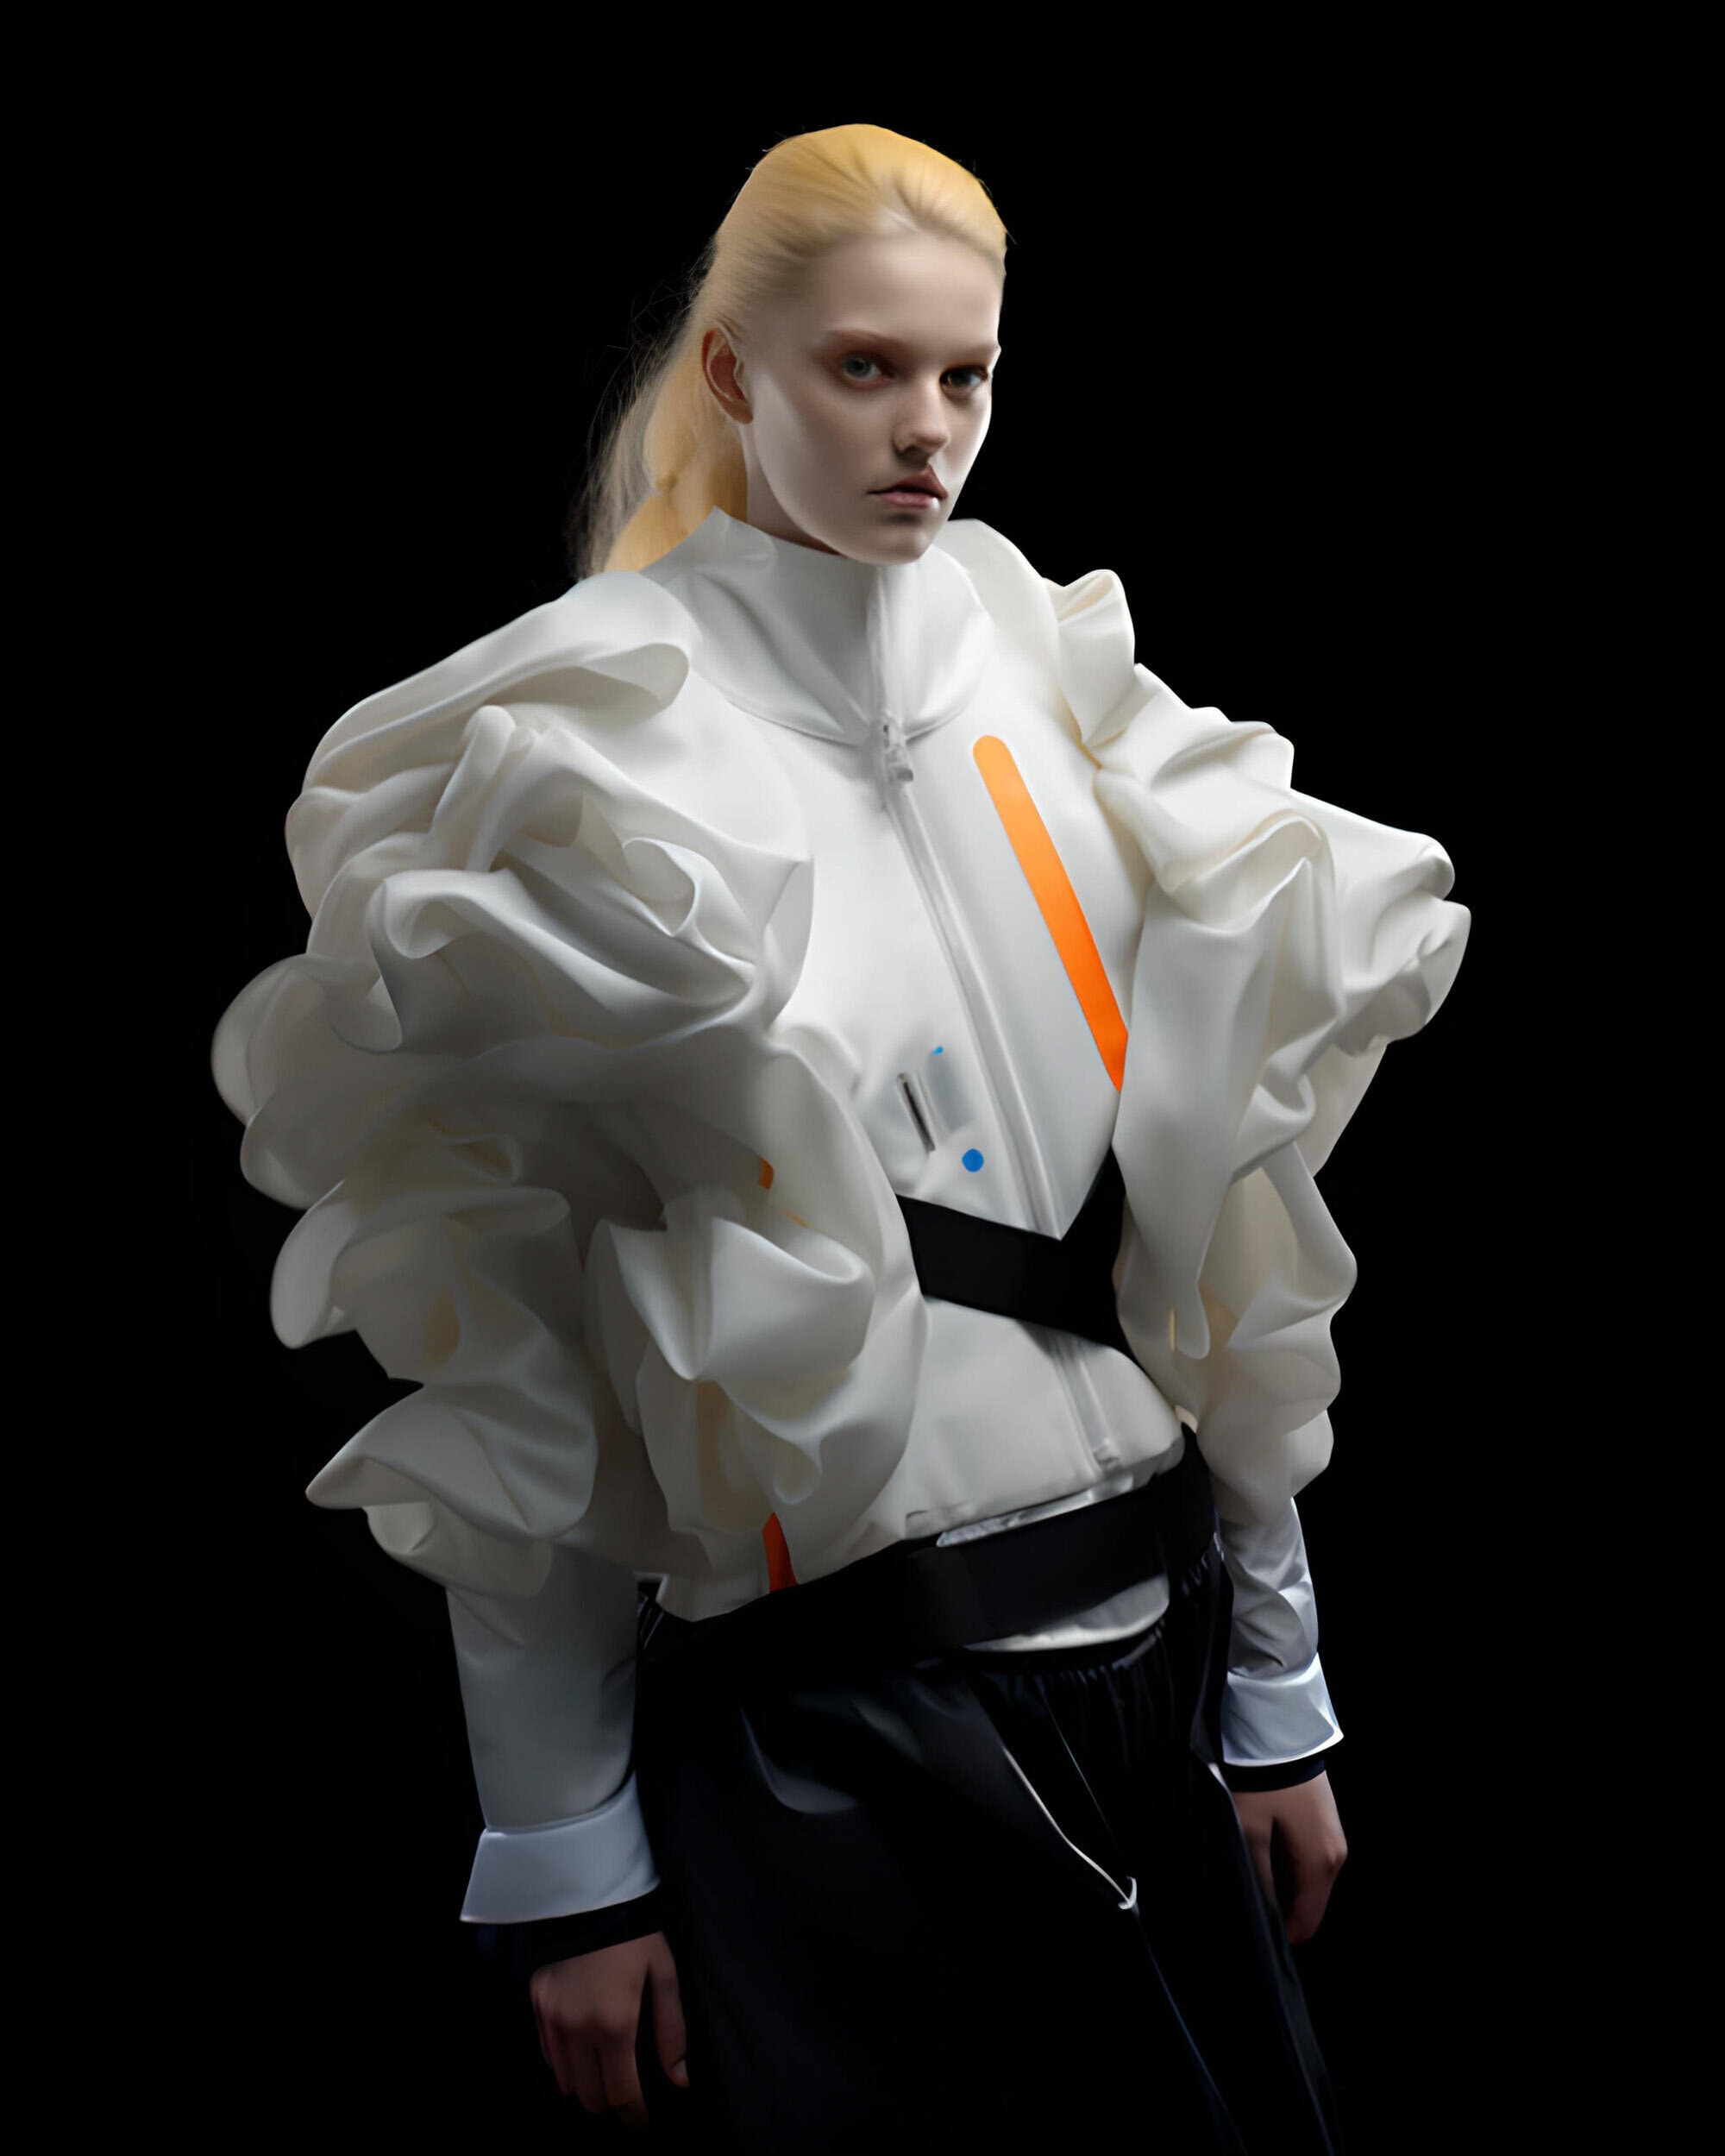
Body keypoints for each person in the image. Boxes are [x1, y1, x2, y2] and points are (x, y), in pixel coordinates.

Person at [210, 123, 1468, 2152]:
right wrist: (565, 1845)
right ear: (730, 371)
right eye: (863, 366)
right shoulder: (585, 751)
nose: (925, 427)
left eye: (965, 373)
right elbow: (523, 1342)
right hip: (824, 1743)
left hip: (1154, 1670)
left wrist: (1274, 1686)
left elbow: (1215, 1235)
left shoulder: (1047, 670)